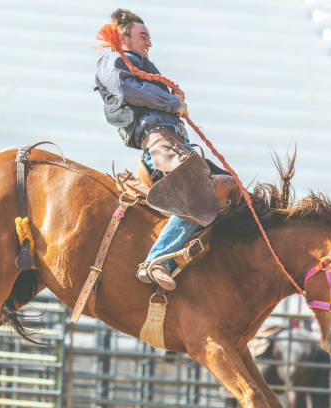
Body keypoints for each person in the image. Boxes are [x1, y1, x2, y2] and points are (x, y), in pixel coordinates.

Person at [95, 9, 231, 291]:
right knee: (199, 194)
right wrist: (172, 104)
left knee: (229, 190)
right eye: (143, 36)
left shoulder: (143, 66)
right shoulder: (112, 59)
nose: (149, 43)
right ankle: (157, 261)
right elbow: (126, 89)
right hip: (159, 142)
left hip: (174, 142)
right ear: (123, 38)